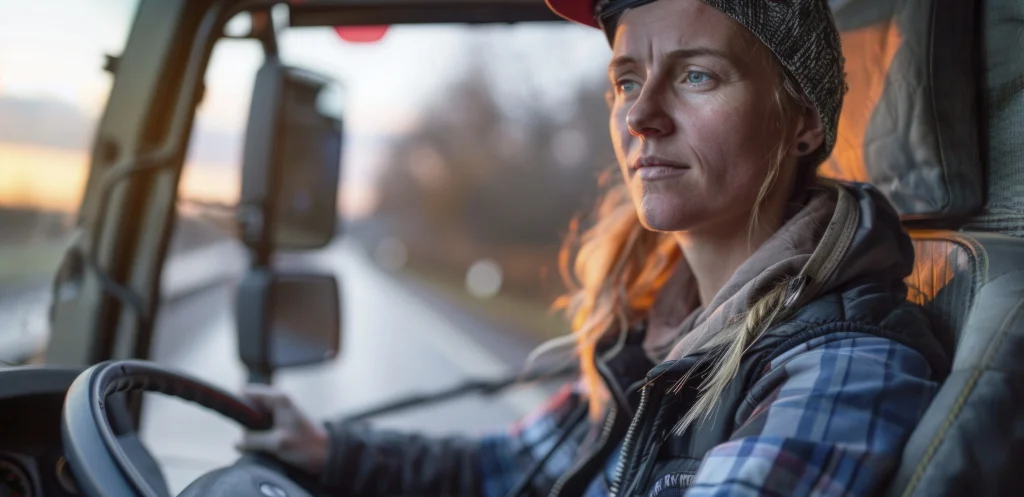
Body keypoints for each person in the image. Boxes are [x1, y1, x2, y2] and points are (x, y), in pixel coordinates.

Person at [238, 0, 950, 495]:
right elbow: (508, 467)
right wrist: (331, 450)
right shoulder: (658, 334)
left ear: (802, 121)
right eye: (627, 80)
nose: (641, 115)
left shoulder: (843, 367)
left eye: (697, 75)